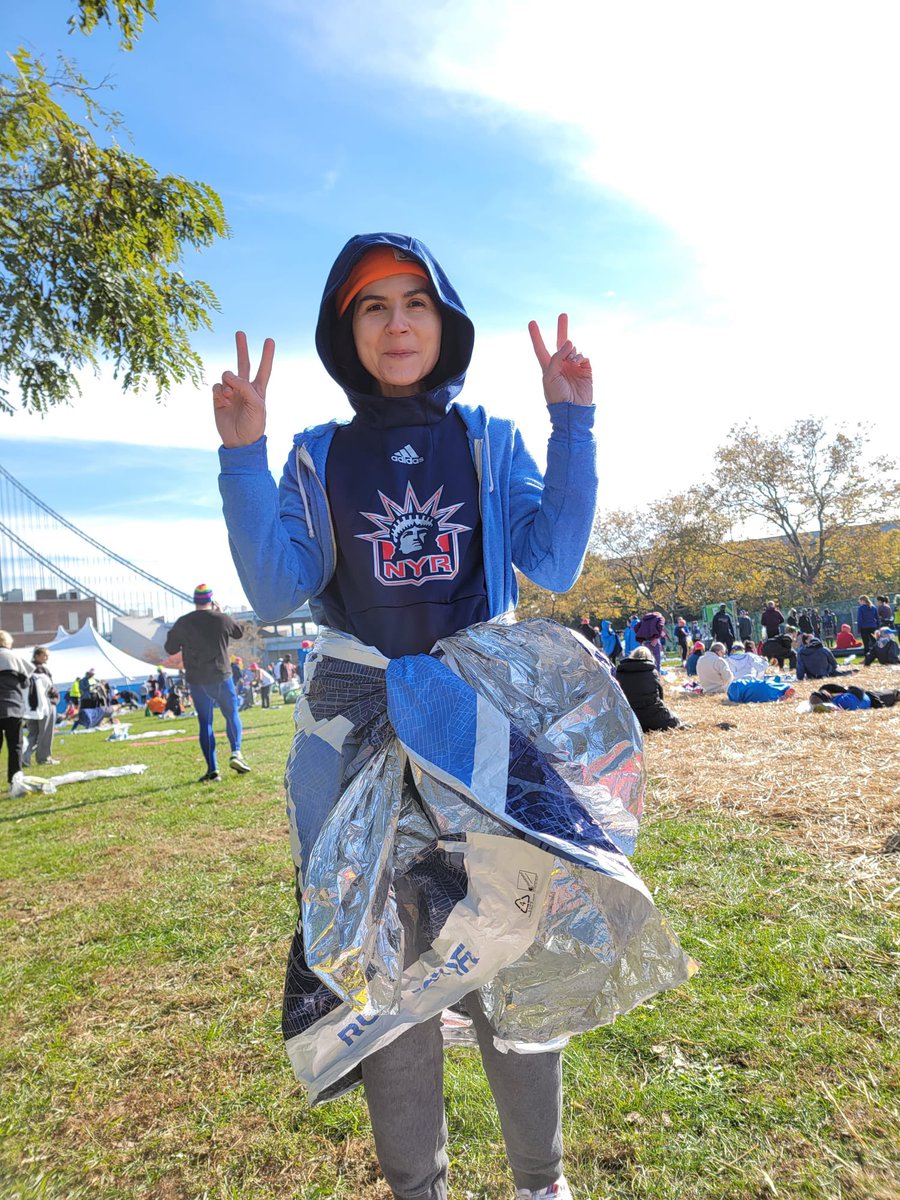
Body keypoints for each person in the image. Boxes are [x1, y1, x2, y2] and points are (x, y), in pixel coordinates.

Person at [214, 232, 598, 1200]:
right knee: (386, 976)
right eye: (373, 306)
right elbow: (273, 587)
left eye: (415, 302)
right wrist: (243, 455)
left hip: (482, 726)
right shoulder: (314, 454)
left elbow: (552, 561)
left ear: (445, 319)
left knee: (507, 950)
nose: (397, 323)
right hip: (357, 736)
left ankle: (539, 1183)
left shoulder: (490, 441)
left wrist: (573, 424)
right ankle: (414, 1188)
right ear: (347, 333)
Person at [164, 584, 250, 782]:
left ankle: (212, 770)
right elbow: (238, 632)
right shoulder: (221, 619)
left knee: (206, 723)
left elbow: (170, 648)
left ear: (194, 601)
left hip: (197, 679)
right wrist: (220, 613)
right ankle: (236, 752)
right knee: (231, 715)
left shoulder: (183, 622)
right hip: (221, 676)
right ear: (211, 601)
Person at [614, 647, 680, 731]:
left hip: (630, 720)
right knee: (676, 721)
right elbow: (660, 696)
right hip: (654, 718)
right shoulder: (652, 672)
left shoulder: (620, 673)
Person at [0, 630, 33, 793]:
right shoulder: (14, 657)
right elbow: (26, 682)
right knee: (15, 746)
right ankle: (14, 779)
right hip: (13, 706)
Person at [23, 647, 60, 766]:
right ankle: (44, 758)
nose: (47, 658)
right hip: (44, 706)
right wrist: (54, 699)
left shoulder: (26, 669)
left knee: (33, 734)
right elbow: (49, 688)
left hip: (30, 708)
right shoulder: (41, 671)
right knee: (45, 734)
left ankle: (24, 755)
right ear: (37, 656)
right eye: (44, 655)